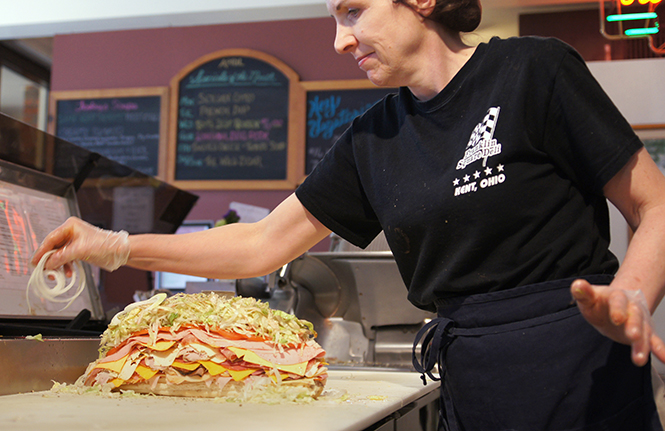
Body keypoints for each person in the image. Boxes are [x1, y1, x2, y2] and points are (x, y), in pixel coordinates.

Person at [31, 0, 665, 429]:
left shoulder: (535, 70)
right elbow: (260, 245)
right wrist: (114, 245)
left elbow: (654, 203)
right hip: (472, 372)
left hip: (582, 359)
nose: (338, 40)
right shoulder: (372, 137)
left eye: (352, 10)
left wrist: (634, 296)